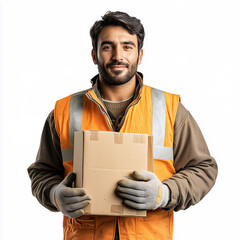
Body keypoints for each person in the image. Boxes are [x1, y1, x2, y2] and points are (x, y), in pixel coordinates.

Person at [28, 11, 218, 240]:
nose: (118, 55)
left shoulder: (169, 108)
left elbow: (204, 169)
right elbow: (42, 172)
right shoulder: (64, 111)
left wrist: (165, 194)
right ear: (94, 55)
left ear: (140, 54)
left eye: (127, 46)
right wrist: (54, 194)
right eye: (108, 47)